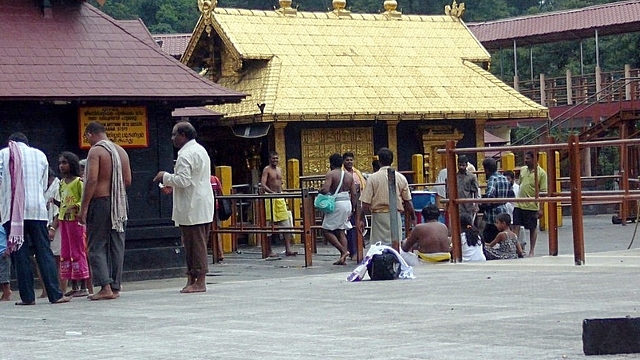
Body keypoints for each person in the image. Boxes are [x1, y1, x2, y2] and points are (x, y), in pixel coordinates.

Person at [0, 132, 70, 305]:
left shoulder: (3, 154)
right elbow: (43, 181)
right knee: (44, 251)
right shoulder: (40, 155)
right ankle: (55, 294)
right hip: (37, 209)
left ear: (11, 143)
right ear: (27, 143)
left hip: (13, 211)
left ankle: (27, 297)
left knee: (20, 253)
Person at [154, 121, 213, 293]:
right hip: (199, 202)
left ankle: (200, 281)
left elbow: (184, 180)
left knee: (196, 244)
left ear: (183, 135)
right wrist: (172, 184)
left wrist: (165, 177)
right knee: (192, 242)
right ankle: (192, 278)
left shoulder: (186, 154)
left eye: (174, 135)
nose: (172, 138)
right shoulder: (200, 150)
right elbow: (190, 179)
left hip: (193, 205)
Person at [79, 121, 131, 300]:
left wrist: (83, 208)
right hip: (119, 204)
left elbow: (91, 180)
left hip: (100, 202)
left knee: (96, 245)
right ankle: (115, 286)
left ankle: (105, 287)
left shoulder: (96, 151)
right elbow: (128, 180)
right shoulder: (121, 151)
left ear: (90, 135)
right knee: (117, 245)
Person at [359, 148, 415, 245]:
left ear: (379, 161)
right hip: (396, 215)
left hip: (379, 216)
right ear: (392, 161)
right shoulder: (401, 177)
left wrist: (361, 218)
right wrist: (413, 217)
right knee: (395, 243)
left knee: (378, 245)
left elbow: (365, 203)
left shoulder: (372, 178)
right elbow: (408, 201)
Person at [55, 152, 90, 297]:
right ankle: (74, 285)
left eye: (65, 163)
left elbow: (84, 200)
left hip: (76, 221)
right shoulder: (61, 183)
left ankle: (83, 286)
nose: (61, 166)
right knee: (67, 252)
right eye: (60, 163)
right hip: (64, 220)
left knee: (78, 250)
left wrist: (74, 206)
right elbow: (63, 202)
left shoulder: (78, 182)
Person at [319, 153, 356, 265]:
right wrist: (353, 208)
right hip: (347, 203)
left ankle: (343, 251)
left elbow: (326, 189)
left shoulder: (331, 174)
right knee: (341, 230)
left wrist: (319, 190)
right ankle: (342, 259)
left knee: (326, 230)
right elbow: (354, 193)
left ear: (331, 163)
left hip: (337, 203)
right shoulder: (349, 176)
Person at [260, 151, 296, 258]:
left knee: (286, 224)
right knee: (268, 224)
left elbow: (280, 184)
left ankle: (288, 249)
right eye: (273, 158)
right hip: (270, 198)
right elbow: (263, 184)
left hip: (280, 198)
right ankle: (269, 250)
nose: (275, 160)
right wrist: (271, 193)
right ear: (269, 159)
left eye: (276, 158)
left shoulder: (280, 170)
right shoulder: (266, 170)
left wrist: (283, 195)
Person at [514, 151, 548, 257]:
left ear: (535, 159)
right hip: (519, 203)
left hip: (531, 205)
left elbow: (543, 192)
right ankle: (517, 249)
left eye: (528, 158)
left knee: (532, 228)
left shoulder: (541, 173)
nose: (525, 160)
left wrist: (541, 208)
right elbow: (520, 184)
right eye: (525, 158)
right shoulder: (523, 170)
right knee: (515, 226)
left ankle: (531, 251)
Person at [480, 157, 510, 244]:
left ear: (487, 169)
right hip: (503, 208)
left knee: (489, 236)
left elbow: (489, 195)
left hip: (493, 213)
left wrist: (483, 202)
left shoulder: (492, 179)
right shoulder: (504, 178)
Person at [342, 151, 365, 260]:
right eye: (347, 160)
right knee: (350, 228)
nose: (349, 162)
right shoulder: (342, 173)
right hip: (347, 203)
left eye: (351, 160)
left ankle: (359, 249)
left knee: (359, 225)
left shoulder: (357, 173)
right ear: (343, 161)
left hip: (359, 202)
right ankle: (352, 251)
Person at [456, 155, 479, 222]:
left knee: (469, 224)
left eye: (463, 165)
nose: (461, 167)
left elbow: (475, 192)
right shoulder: (454, 177)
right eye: (460, 165)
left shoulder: (471, 177)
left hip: (468, 205)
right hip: (457, 205)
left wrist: (476, 205)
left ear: (466, 165)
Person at [0, 225, 11, 301]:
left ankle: (7, 291)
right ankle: (5, 292)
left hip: (3, 252)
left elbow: (9, 238)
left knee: (4, 274)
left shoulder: (3, 226)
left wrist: (8, 249)